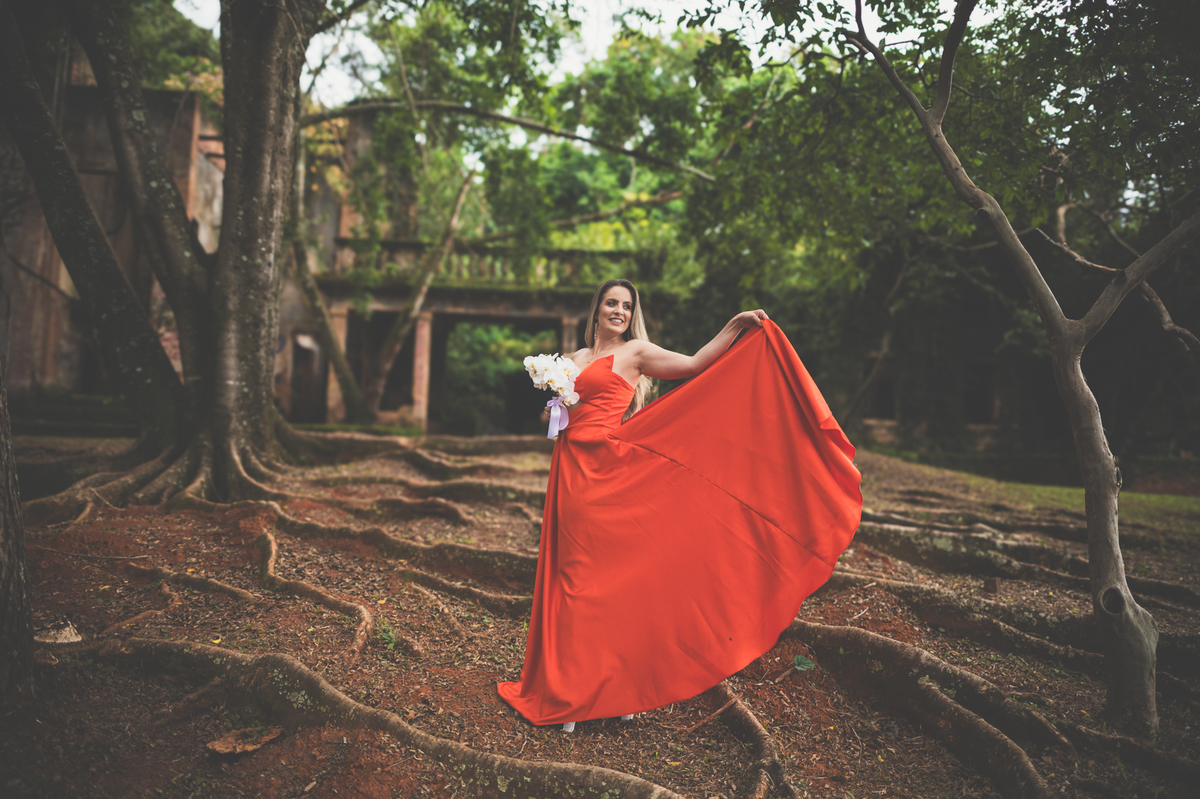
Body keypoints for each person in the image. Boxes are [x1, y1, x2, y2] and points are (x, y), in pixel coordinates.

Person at [498, 278, 862, 732]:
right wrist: (555, 402)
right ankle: (570, 687)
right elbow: (559, 419)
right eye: (611, 303)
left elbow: (694, 365)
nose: (619, 311)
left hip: (608, 469)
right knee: (571, 573)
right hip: (570, 469)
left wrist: (736, 324)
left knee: (602, 579)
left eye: (626, 306)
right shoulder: (572, 360)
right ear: (596, 310)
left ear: (632, 314)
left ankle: (608, 689)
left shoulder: (636, 353)